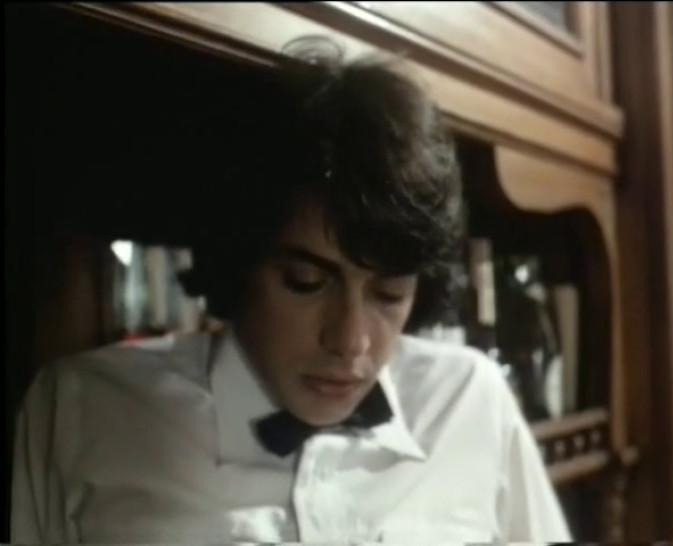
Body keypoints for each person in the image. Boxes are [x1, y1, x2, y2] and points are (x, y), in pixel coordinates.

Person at [11, 36, 571, 543]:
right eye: (307, 283)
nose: (350, 342)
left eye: (389, 293)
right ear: (238, 263)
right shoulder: (83, 408)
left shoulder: (470, 399)